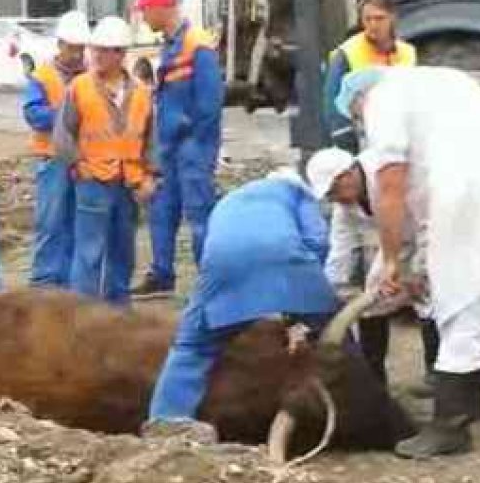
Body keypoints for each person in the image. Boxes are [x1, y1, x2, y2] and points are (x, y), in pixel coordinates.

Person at [323, 66, 480, 458]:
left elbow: (392, 187)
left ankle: (449, 428)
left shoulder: (382, 102)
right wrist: (402, 270)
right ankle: (470, 403)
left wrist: (392, 262)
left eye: (356, 117)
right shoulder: (436, 82)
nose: (360, 123)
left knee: (459, 303)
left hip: (462, 197)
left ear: (358, 103)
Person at [144, 169, 341, 436]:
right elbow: (317, 241)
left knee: (193, 346)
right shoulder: (297, 193)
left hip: (222, 266)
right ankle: (354, 401)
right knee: (337, 337)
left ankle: (167, 419)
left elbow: (207, 248)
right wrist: (300, 308)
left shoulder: (228, 200)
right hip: (287, 263)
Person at [311, 148, 436, 390]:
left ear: (347, 174)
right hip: (396, 243)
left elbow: (428, 225)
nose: (334, 198)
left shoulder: (387, 176)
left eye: (334, 190)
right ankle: (373, 377)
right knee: (374, 299)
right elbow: (342, 247)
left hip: (432, 232)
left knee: (431, 300)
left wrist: (418, 272)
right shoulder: (345, 205)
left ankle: (437, 374)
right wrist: (330, 292)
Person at [130, 0, 225, 296]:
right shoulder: (172, 45)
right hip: (171, 146)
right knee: (162, 209)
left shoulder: (197, 45)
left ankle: (209, 280)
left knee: (199, 214)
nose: (143, 18)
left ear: (160, 9)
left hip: (192, 147)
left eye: (145, 12)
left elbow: (210, 103)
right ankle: (162, 273)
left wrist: (193, 136)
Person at [53, 17, 155, 306]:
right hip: (93, 182)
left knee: (122, 251)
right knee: (89, 253)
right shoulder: (80, 87)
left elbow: (150, 138)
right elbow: (63, 134)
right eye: (94, 49)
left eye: (103, 50)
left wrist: (150, 176)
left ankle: (117, 312)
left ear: (120, 54)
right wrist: (78, 166)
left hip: (128, 184)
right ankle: (82, 315)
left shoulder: (142, 93)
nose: (95, 55)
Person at [21, 10, 90, 288]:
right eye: (72, 48)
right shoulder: (43, 76)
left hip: (84, 159)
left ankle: (71, 280)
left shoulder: (91, 75)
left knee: (78, 221)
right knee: (51, 221)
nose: (77, 54)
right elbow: (34, 115)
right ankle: (46, 279)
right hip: (52, 159)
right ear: (60, 44)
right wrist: (68, 115)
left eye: (80, 48)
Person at [324, 0, 416, 154]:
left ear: (393, 18)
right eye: (367, 19)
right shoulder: (346, 54)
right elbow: (333, 106)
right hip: (361, 140)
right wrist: (346, 145)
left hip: (399, 137)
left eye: (379, 19)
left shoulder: (407, 53)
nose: (373, 25)